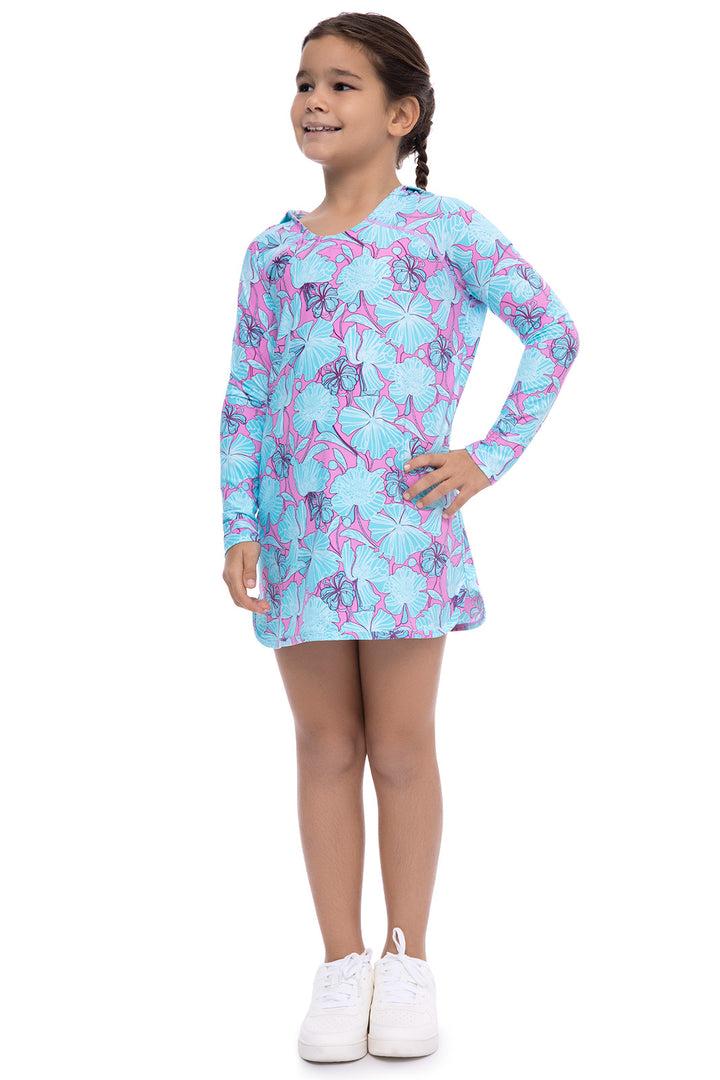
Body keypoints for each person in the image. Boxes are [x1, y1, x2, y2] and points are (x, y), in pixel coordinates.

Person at [219, 11, 579, 1063]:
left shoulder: (447, 231)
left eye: (341, 84)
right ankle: (341, 963)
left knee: (404, 747)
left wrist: (488, 456)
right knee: (324, 744)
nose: (314, 102)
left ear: (402, 113)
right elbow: (246, 395)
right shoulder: (271, 252)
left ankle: (406, 954)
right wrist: (240, 520)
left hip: (403, 529)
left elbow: (554, 332)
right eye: (303, 82)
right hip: (298, 534)